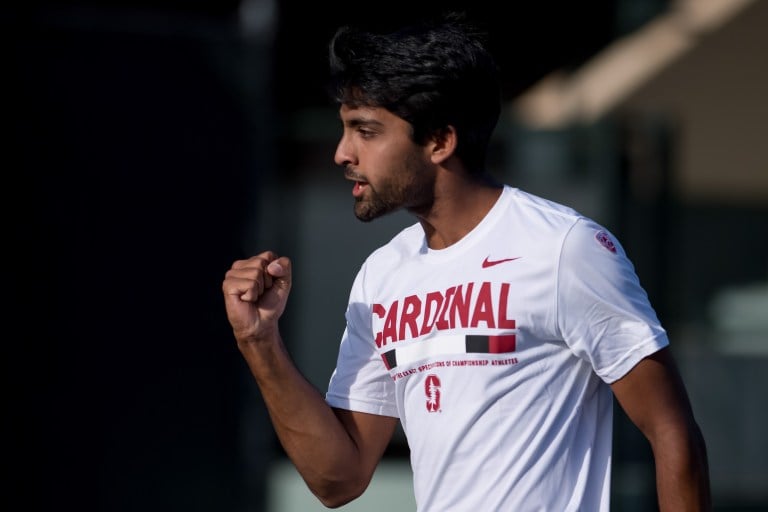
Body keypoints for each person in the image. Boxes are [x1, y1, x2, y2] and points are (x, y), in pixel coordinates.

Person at [222, 12, 711, 511]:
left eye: (365, 131)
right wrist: (259, 341)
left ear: (440, 141)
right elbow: (338, 480)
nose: (342, 152)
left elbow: (671, 432)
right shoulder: (381, 276)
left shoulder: (566, 248)